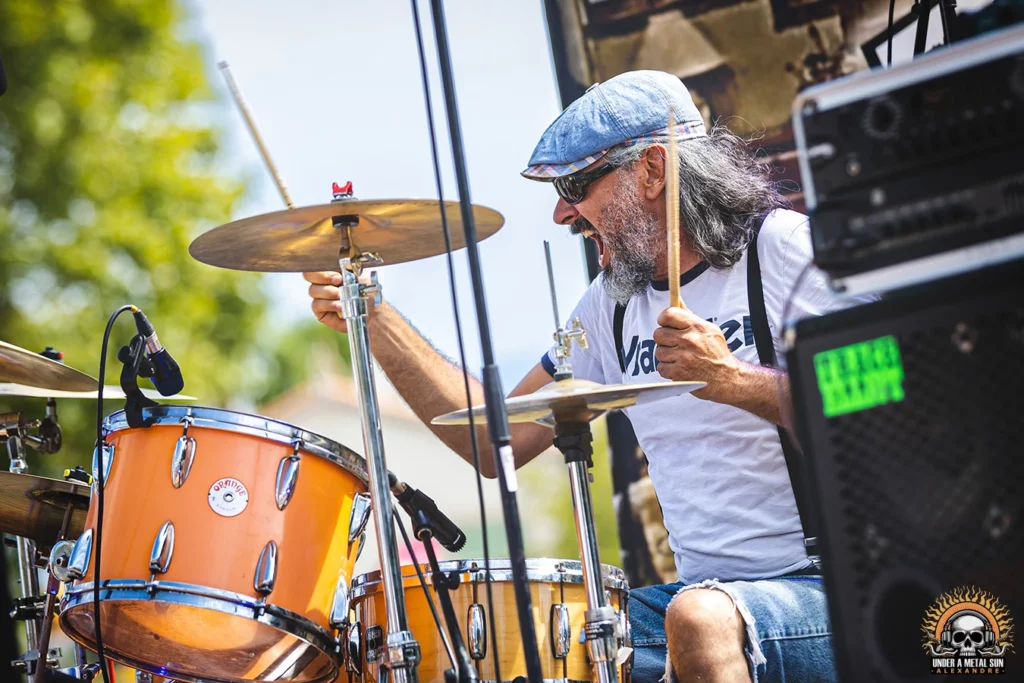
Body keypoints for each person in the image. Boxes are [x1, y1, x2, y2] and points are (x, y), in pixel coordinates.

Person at [306, 70, 841, 682]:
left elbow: (891, 400)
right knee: (535, 638)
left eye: (577, 184)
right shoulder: (610, 307)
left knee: (700, 620)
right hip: (701, 594)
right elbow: (493, 442)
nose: (563, 212)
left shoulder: (781, 250)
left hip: (833, 587)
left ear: (653, 170)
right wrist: (374, 318)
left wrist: (735, 381)